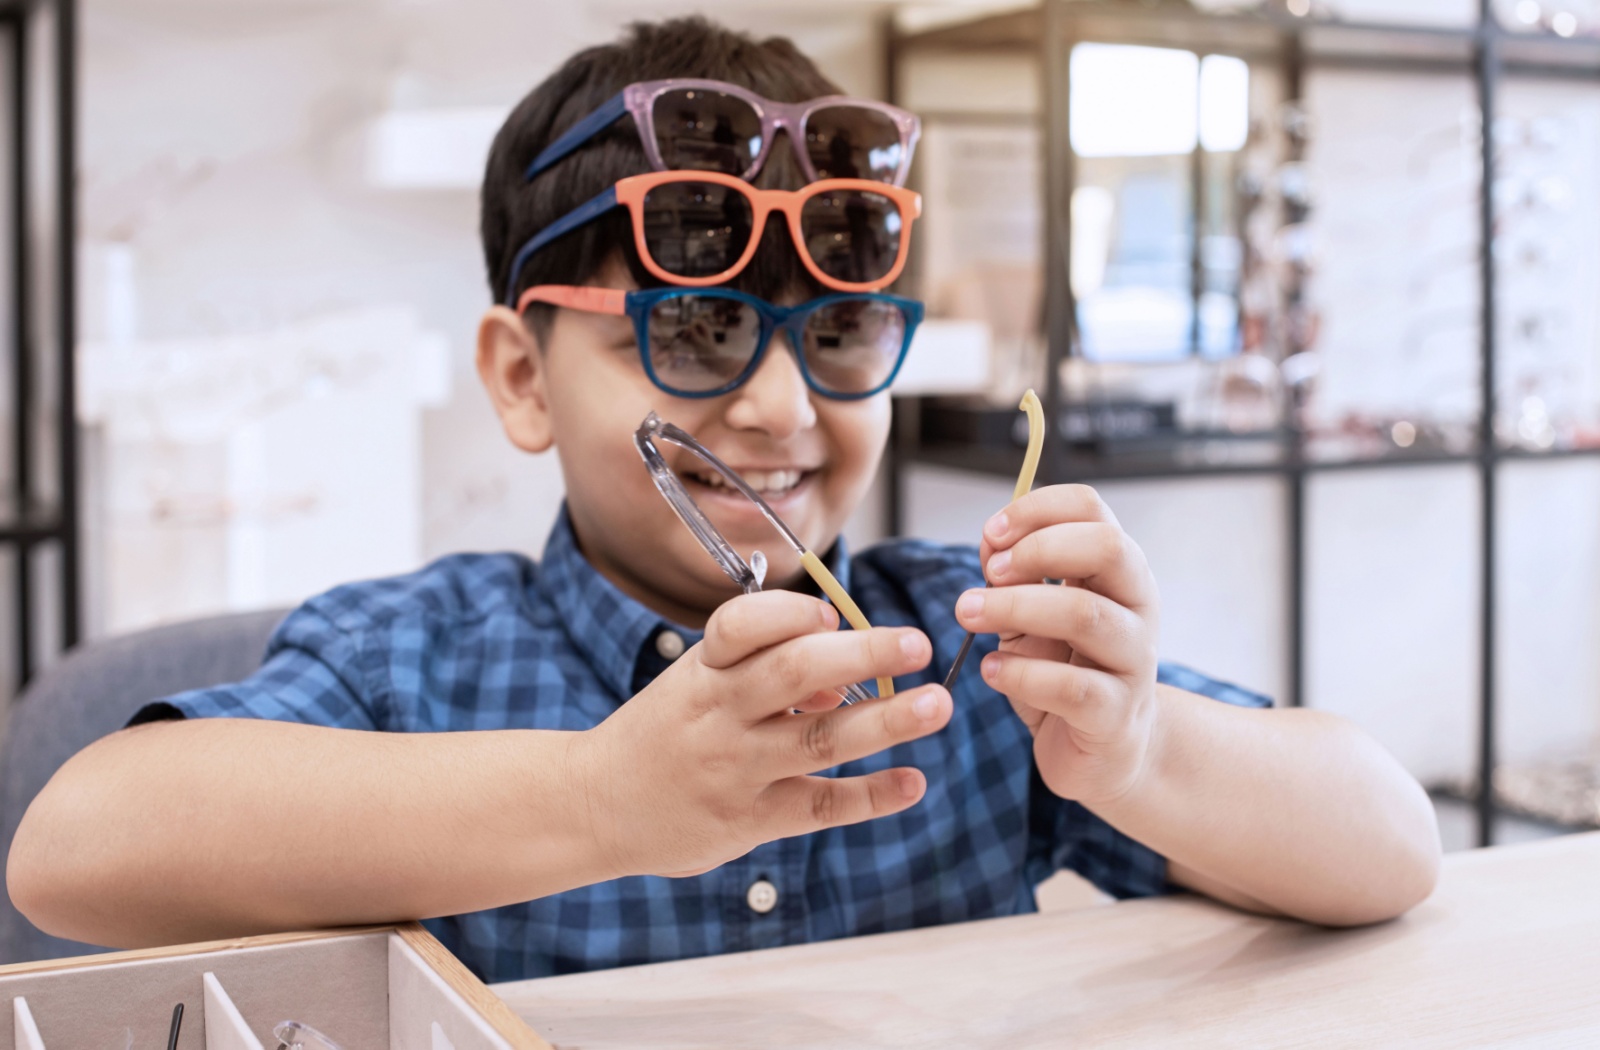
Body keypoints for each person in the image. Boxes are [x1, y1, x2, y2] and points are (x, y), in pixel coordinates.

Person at [7, 18, 1439, 983]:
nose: (777, 408)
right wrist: (608, 795)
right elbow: (76, 849)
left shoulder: (971, 649)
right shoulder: (418, 663)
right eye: (695, 333)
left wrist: (1138, 745)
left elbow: (1391, 843)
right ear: (521, 375)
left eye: (834, 333)